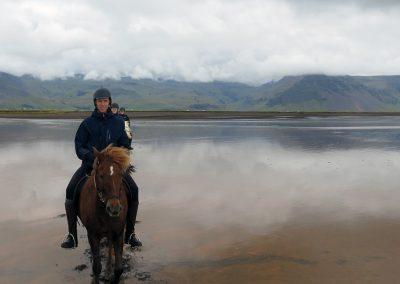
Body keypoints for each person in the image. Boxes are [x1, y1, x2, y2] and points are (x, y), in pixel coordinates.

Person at [61, 88, 142, 249]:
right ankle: (72, 235)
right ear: (95, 103)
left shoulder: (119, 122)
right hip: (90, 165)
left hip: (113, 168)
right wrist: (92, 158)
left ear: (109, 102)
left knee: (134, 190)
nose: (102, 104)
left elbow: (126, 144)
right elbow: (79, 146)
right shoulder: (87, 124)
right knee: (70, 190)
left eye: (105, 101)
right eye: (99, 101)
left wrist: (118, 156)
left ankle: (131, 232)